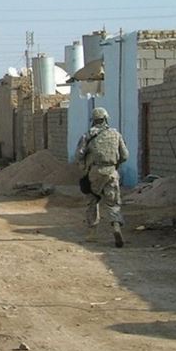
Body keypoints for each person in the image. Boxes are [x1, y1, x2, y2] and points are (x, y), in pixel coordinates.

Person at [76, 106, 129, 247]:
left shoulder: (88, 135)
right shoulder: (116, 134)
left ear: (93, 120)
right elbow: (125, 155)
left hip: (94, 173)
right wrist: (115, 164)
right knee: (113, 203)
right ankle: (116, 226)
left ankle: (92, 233)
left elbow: (79, 154)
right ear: (106, 119)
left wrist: (84, 166)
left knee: (92, 200)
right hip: (111, 172)